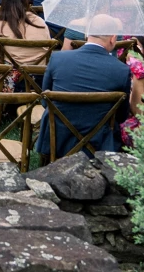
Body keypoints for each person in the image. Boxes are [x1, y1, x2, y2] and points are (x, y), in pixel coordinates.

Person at [36, 13, 132, 163]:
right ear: (113, 38)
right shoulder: (122, 71)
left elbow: (44, 101)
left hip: (58, 140)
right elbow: (121, 116)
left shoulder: (58, 59)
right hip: (99, 144)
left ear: (87, 34)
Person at [0, 0, 52, 66]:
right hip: (40, 73)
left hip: (8, 74)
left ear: (4, 5)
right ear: (25, 2)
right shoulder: (39, 22)